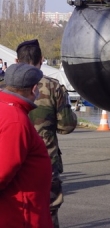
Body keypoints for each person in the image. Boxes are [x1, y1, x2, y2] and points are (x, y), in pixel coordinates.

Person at [17, 39, 78, 228]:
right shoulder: (53, 87)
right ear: (41, 60)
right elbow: (67, 126)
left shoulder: (4, 87)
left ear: (17, 61)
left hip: (13, 160)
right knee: (48, 210)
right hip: (46, 160)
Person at [0, 63, 53, 227]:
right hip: (21, 215)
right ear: (34, 88)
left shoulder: (5, 109)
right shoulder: (16, 120)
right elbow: (2, 171)